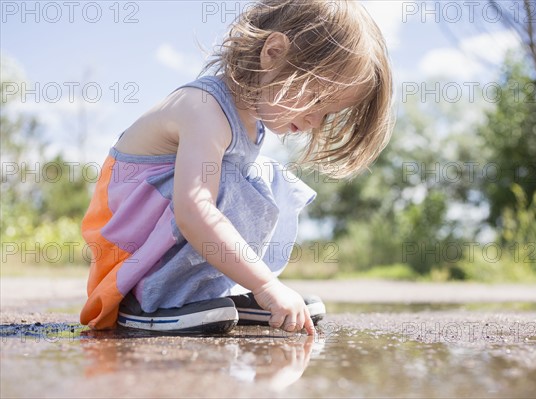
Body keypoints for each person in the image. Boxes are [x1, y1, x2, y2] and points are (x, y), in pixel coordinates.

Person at [80, 0, 394, 335]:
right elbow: (193, 211)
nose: (316, 121)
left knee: (269, 177)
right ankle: (148, 298)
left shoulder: (248, 122)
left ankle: (219, 289)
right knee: (227, 181)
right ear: (272, 52)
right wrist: (266, 285)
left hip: (159, 234)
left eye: (329, 112)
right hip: (127, 257)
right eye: (317, 99)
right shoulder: (204, 109)